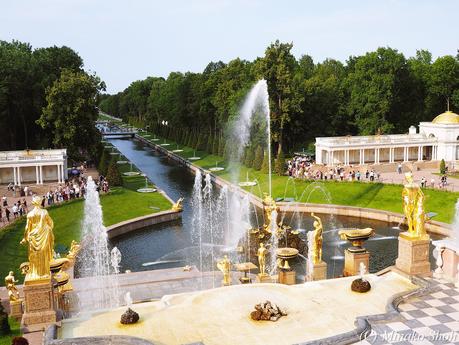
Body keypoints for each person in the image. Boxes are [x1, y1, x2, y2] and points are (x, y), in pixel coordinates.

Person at [20, 195, 55, 282]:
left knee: (34, 256)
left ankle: (35, 273)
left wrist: (25, 238)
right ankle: (44, 273)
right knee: (43, 254)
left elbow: (27, 228)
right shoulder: (44, 212)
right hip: (44, 235)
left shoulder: (30, 214)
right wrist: (48, 228)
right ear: (39, 203)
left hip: (33, 237)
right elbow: (50, 223)